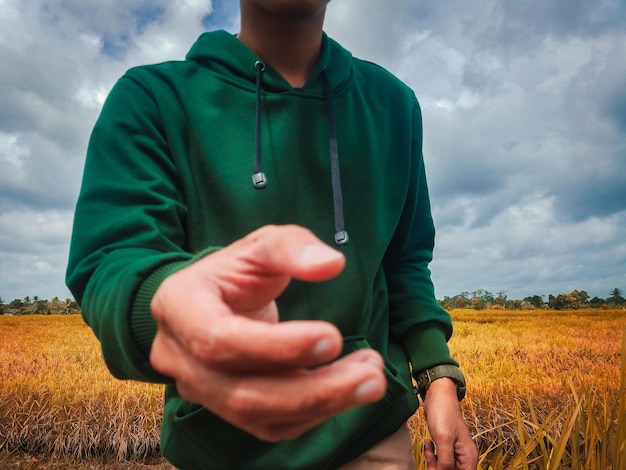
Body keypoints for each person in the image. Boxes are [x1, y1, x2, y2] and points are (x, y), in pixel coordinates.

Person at [66, 0, 478, 468]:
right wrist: (160, 306)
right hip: (218, 445)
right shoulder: (152, 97)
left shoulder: (393, 104)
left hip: (370, 434)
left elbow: (404, 262)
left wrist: (438, 378)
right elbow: (110, 258)